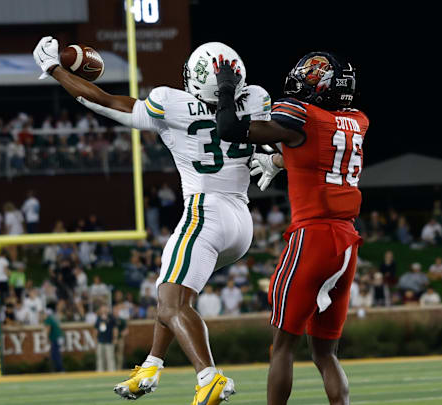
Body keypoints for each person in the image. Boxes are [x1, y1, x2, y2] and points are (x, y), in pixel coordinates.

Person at [35, 38, 270, 403]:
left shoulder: (171, 102)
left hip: (204, 213)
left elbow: (106, 102)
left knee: (172, 303)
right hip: (242, 221)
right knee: (171, 293)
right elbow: (273, 145)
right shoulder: (256, 98)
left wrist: (55, 70)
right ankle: (151, 365)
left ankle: (210, 377)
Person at [215, 51, 365, 405]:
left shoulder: (303, 114)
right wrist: (280, 160)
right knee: (325, 354)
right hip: (347, 241)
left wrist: (225, 90)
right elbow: (320, 155)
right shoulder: (357, 121)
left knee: (282, 347)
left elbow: (229, 129)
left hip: (312, 236)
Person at [94, 304, 117, 372]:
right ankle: (100, 370)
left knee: (110, 357)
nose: (103, 309)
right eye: (102, 308)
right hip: (100, 341)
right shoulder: (99, 318)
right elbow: (96, 329)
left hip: (109, 340)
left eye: (105, 308)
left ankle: (111, 370)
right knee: (100, 357)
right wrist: (95, 339)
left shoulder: (111, 318)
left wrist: (115, 338)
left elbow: (115, 329)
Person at [43, 306, 64, 372]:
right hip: (59, 337)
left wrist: (47, 339)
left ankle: (59, 369)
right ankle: (59, 369)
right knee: (56, 353)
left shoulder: (48, 319)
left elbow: (48, 329)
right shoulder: (54, 318)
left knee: (55, 354)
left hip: (56, 338)